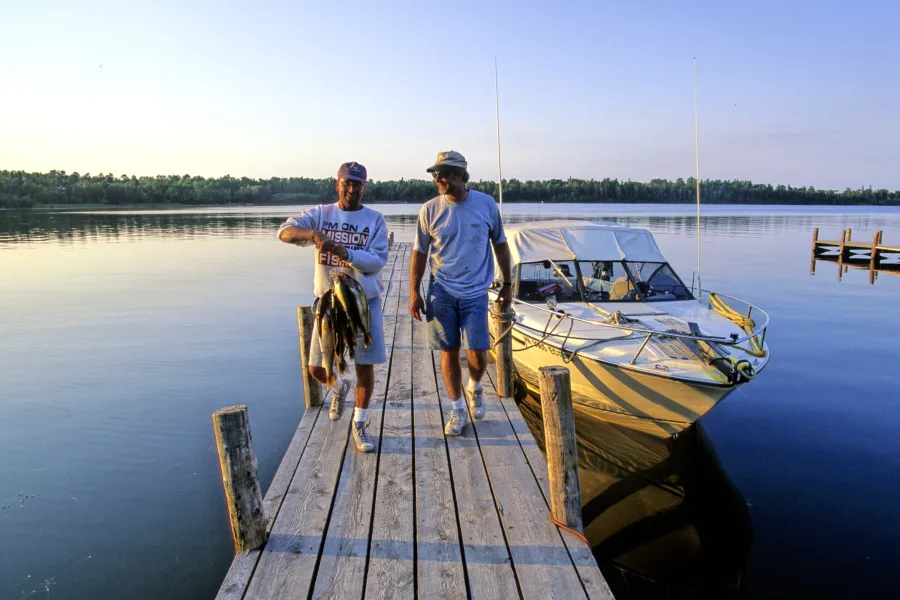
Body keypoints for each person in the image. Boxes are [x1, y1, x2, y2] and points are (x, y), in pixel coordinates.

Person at [277, 161, 389, 452]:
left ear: (365, 187)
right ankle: (339, 387)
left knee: (364, 365)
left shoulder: (375, 219)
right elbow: (284, 233)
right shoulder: (320, 214)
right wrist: (313, 236)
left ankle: (360, 422)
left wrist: (345, 251)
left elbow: (377, 261)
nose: (352, 188)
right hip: (327, 305)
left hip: (363, 303)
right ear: (337, 183)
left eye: (358, 183)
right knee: (316, 368)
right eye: (346, 182)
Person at [409, 151, 512, 436]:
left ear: (460, 176)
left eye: (442, 174)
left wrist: (507, 284)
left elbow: (501, 245)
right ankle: (457, 409)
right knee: (449, 352)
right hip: (440, 290)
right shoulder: (430, 210)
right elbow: (419, 252)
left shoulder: (486, 204)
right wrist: (414, 292)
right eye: (434, 174)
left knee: (478, 354)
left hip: (476, 292)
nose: (437, 179)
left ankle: (475, 386)